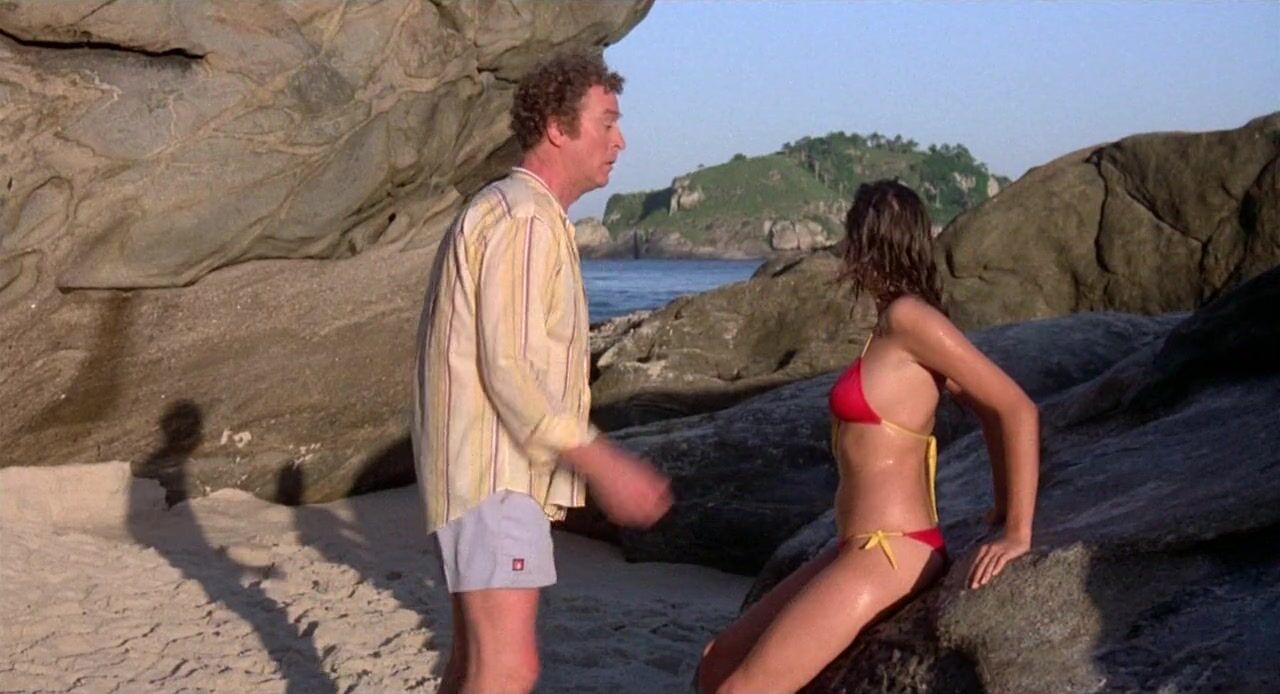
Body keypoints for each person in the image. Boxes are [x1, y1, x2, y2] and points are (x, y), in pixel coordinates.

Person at [696, 180, 1040, 693]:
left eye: (851, 238)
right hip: (853, 546)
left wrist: (1015, 530)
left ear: (866, 243)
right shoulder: (891, 324)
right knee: (717, 661)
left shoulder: (910, 319)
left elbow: (1014, 408)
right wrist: (997, 505)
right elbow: (987, 413)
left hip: (891, 552)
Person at [411, 52, 673, 694]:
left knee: (474, 664)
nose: (620, 140)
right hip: (495, 475)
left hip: (476, 472)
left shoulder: (513, 211)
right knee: (509, 668)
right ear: (557, 127)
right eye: (606, 122)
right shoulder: (524, 218)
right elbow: (511, 367)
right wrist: (601, 460)